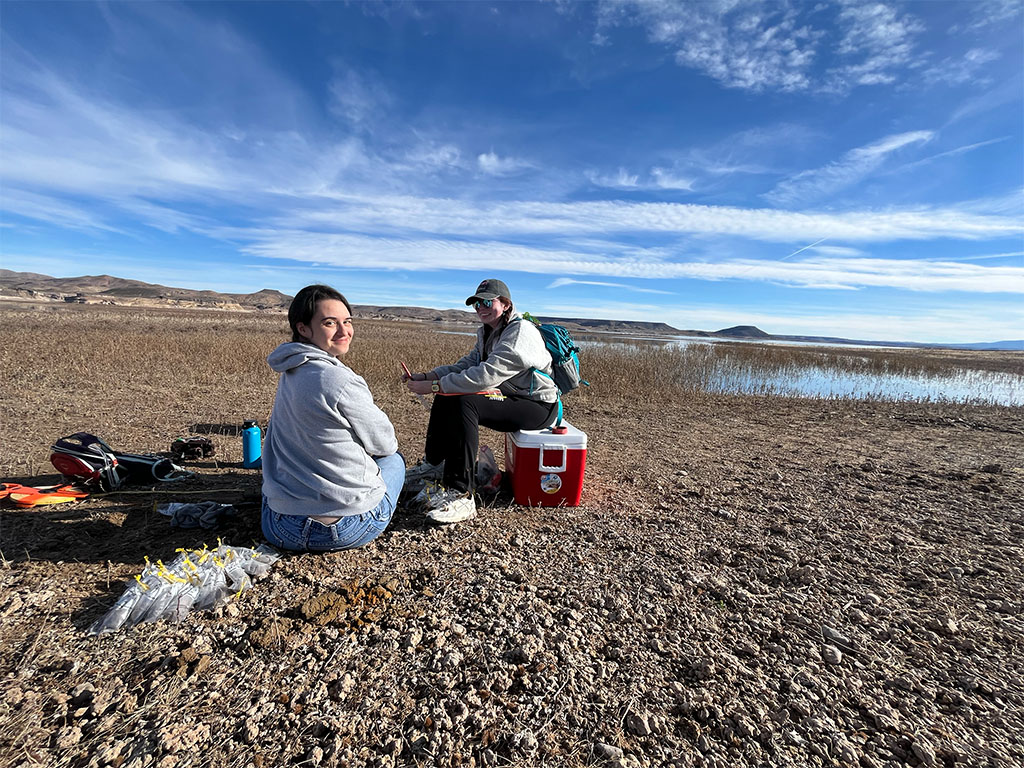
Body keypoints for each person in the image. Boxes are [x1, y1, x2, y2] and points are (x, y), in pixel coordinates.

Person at [261, 284, 405, 551]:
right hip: (342, 529)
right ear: (303, 328)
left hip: (279, 526)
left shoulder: (291, 369)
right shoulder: (339, 379)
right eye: (330, 323)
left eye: (347, 321)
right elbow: (385, 444)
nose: (344, 331)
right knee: (394, 461)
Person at [404, 278, 558, 523]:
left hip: (539, 406)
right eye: (476, 304)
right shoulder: (488, 331)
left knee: (465, 401)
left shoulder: (520, 333)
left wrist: (433, 386)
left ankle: (461, 494)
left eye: (487, 302)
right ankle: (436, 464)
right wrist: (431, 376)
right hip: (513, 397)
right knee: (449, 395)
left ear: (506, 304)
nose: (481, 308)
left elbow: (485, 376)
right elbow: (468, 364)